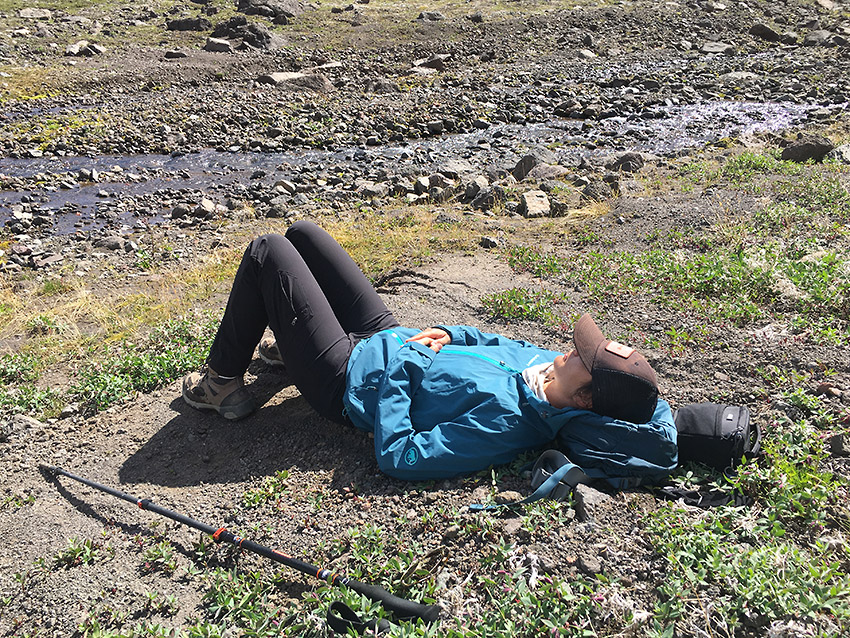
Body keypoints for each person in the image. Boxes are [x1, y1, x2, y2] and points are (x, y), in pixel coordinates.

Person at [182, 221, 675, 481]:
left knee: (268, 250)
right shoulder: (547, 368)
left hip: (347, 378)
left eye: (583, 358)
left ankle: (221, 384)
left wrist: (408, 364)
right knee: (303, 236)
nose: (571, 350)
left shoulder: (506, 426)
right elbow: (491, 342)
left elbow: (402, 456)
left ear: (586, 398)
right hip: (391, 337)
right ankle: (291, 350)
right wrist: (450, 334)